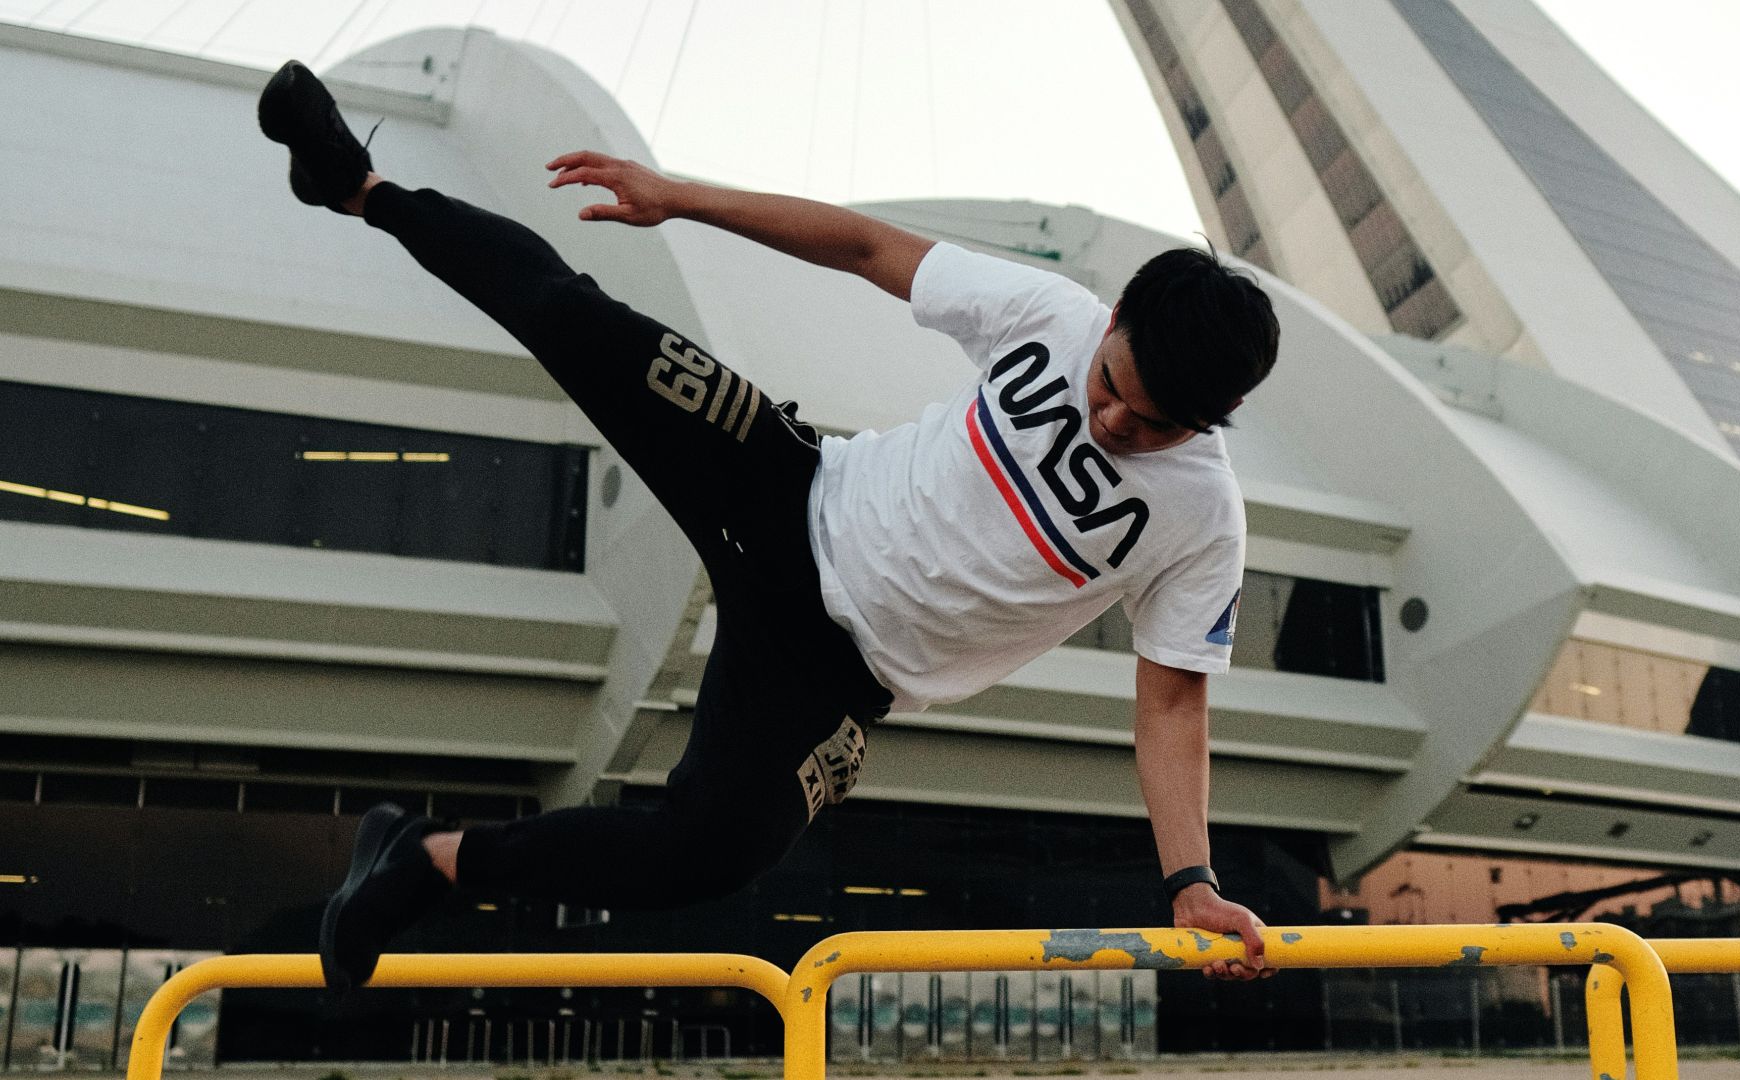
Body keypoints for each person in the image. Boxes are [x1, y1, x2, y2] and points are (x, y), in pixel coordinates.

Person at [257, 59, 1283, 995]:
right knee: (572, 317)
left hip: (834, 671)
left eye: (1149, 427)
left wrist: (1190, 878)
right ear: (1110, 327)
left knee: (706, 853)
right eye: (1111, 387)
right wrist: (679, 197)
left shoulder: (1201, 522)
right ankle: (358, 186)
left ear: (1206, 425)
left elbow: (1173, 705)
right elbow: (868, 245)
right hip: (785, 485)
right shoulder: (1049, 314)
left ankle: (425, 860)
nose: (1111, 421)